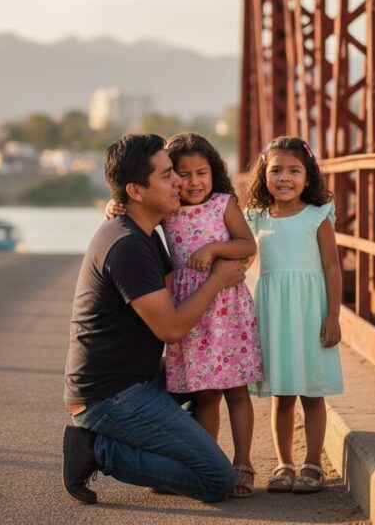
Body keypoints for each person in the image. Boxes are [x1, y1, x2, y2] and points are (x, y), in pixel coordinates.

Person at [62, 133, 246, 504]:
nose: (180, 181)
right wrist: (217, 281)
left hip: (141, 379)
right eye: (167, 176)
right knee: (216, 480)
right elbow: (173, 328)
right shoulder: (127, 245)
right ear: (136, 190)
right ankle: (98, 449)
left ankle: (170, 452)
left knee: (206, 378)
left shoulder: (145, 233)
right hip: (110, 397)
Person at [106, 132, 263, 498]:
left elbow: (247, 244)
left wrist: (213, 248)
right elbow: (136, 211)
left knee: (237, 390)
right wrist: (111, 208)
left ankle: (243, 463)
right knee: (205, 393)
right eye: (184, 174)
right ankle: (206, 462)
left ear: (214, 173)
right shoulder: (169, 210)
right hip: (192, 312)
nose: (194, 182)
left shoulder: (223, 204)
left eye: (202, 173)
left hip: (227, 309)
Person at [245, 136, 344, 494]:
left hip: (309, 310)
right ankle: (284, 463)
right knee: (282, 395)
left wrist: (332, 315)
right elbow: (238, 249)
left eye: (294, 170)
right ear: (263, 175)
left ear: (308, 176)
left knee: (312, 392)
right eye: (276, 170)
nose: (284, 178)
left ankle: (313, 464)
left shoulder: (317, 216)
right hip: (275, 313)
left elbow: (332, 268)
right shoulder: (256, 217)